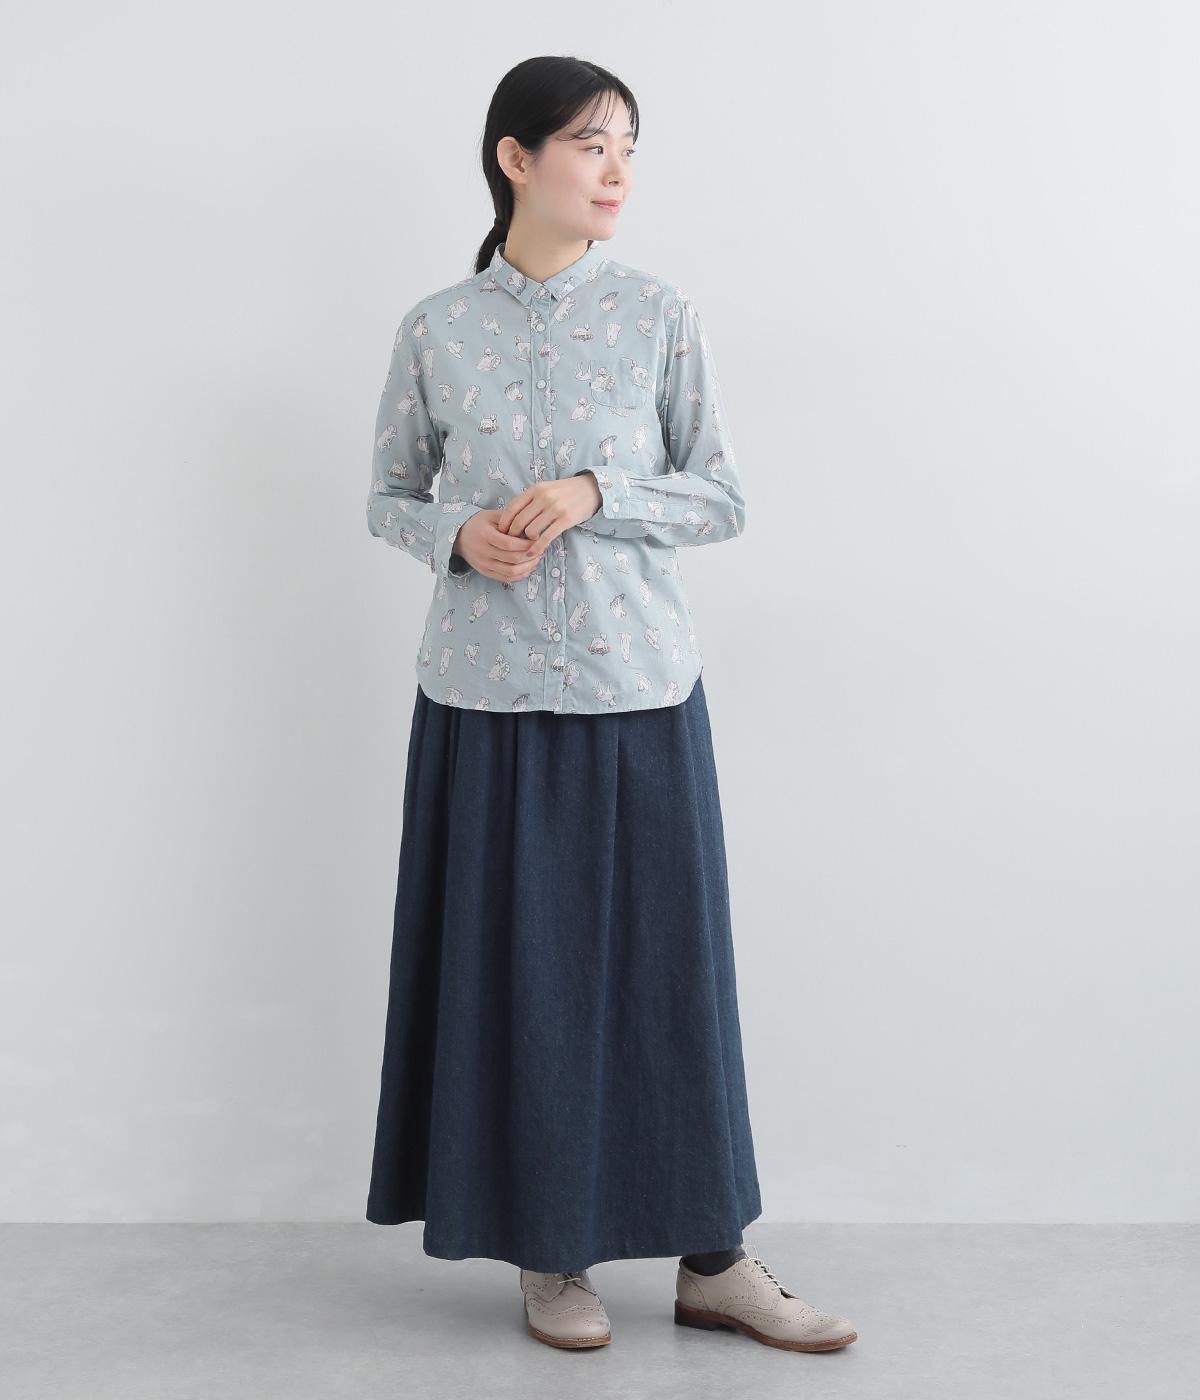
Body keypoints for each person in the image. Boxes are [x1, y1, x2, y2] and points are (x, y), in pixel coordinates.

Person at [363, 54, 858, 1354]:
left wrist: (595, 492)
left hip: (637, 689)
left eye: (629, 145)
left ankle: (716, 1261)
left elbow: (722, 496)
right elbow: (389, 496)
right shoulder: (436, 329)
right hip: (485, 701)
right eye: (592, 144)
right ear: (516, 159)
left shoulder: (656, 315)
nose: (618, 170)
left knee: (666, 979)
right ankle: (553, 1255)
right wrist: (456, 535)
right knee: (523, 982)